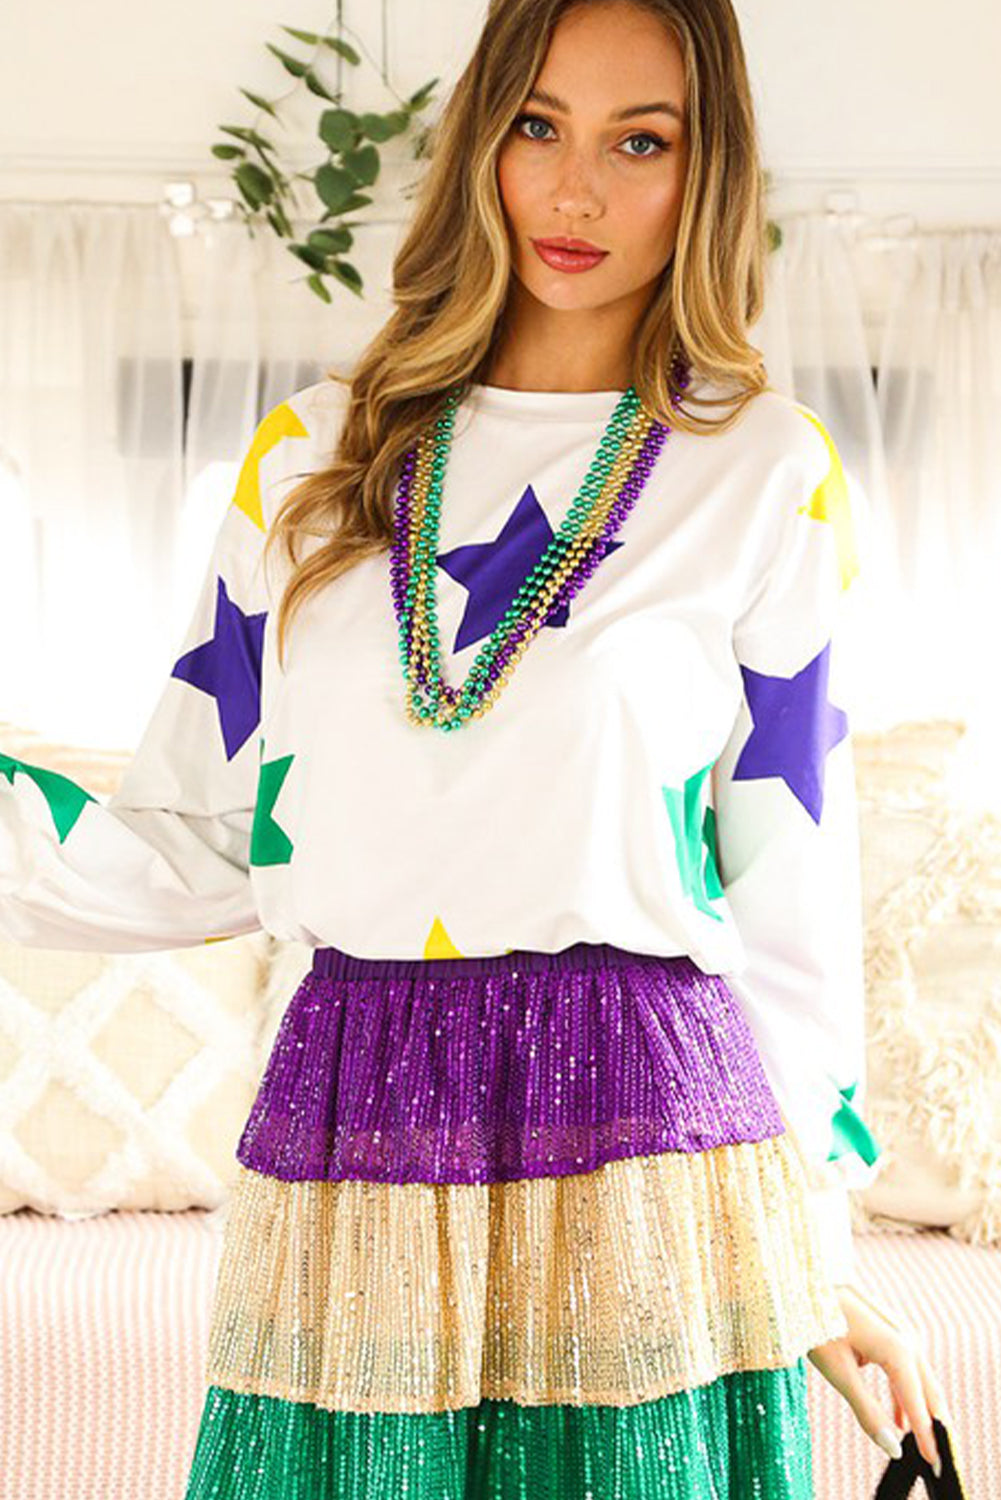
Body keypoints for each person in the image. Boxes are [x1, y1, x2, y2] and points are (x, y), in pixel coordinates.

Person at [0, 0, 953, 1495]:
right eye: (537, 126)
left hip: (650, 1124)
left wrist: (817, 1250)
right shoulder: (309, 458)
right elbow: (193, 836)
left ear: (704, 174)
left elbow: (786, 887)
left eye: (640, 142)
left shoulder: (763, 470)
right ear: (480, 145)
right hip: (358, 1108)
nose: (576, 190)